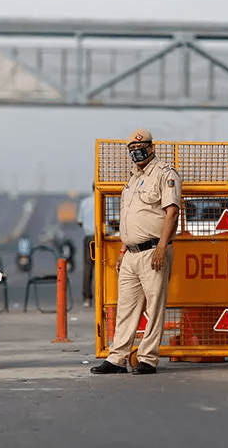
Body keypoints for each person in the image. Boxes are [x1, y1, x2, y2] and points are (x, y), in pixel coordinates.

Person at [90, 129, 181, 375]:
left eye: (140, 147)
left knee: (154, 307)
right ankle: (117, 358)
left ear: (152, 148)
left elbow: (172, 212)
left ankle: (148, 358)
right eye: (131, 148)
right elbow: (129, 219)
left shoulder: (165, 174)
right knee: (126, 308)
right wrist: (122, 251)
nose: (136, 151)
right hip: (130, 254)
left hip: (154, 251)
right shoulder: (131, 180)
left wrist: (162, 247)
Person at [77, 184, 95, 307]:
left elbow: (80, 221)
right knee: (107, 267)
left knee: (88, 268)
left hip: (89, 238)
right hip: (104, 238)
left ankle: (87, 298)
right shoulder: (106, 200)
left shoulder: (84, 203)